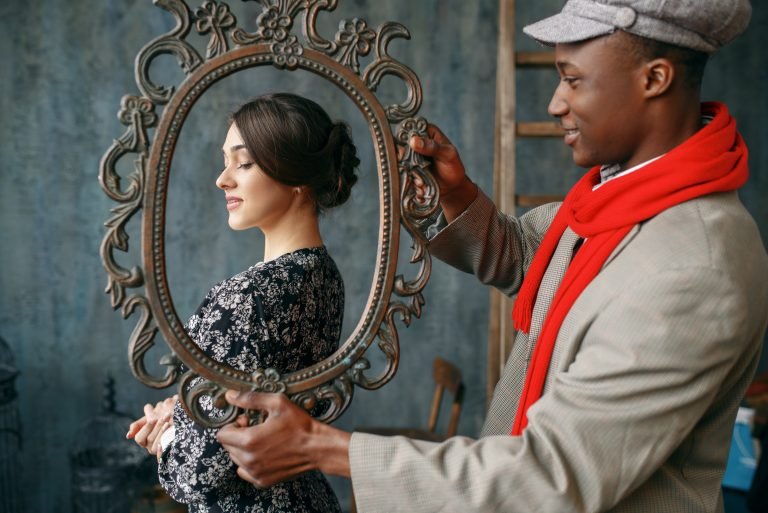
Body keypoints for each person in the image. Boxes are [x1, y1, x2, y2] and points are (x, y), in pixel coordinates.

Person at [215, 1, 768, 512]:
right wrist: (457, 197)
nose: (555, 103)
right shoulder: (616, 196)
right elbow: (542, 265)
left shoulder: (693, 269)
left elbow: (551, 475)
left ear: (655, 79)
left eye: (573, 80)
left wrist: (324, 448)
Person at [126, 92, 361, 513]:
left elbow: (202, 476)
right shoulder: (324, 277)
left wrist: (164, 438)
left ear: (296, 177)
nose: (223, 179)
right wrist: (183, 413)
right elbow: (251, 415)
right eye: (225, 160)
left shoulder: (245, 299)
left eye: (244, 162)